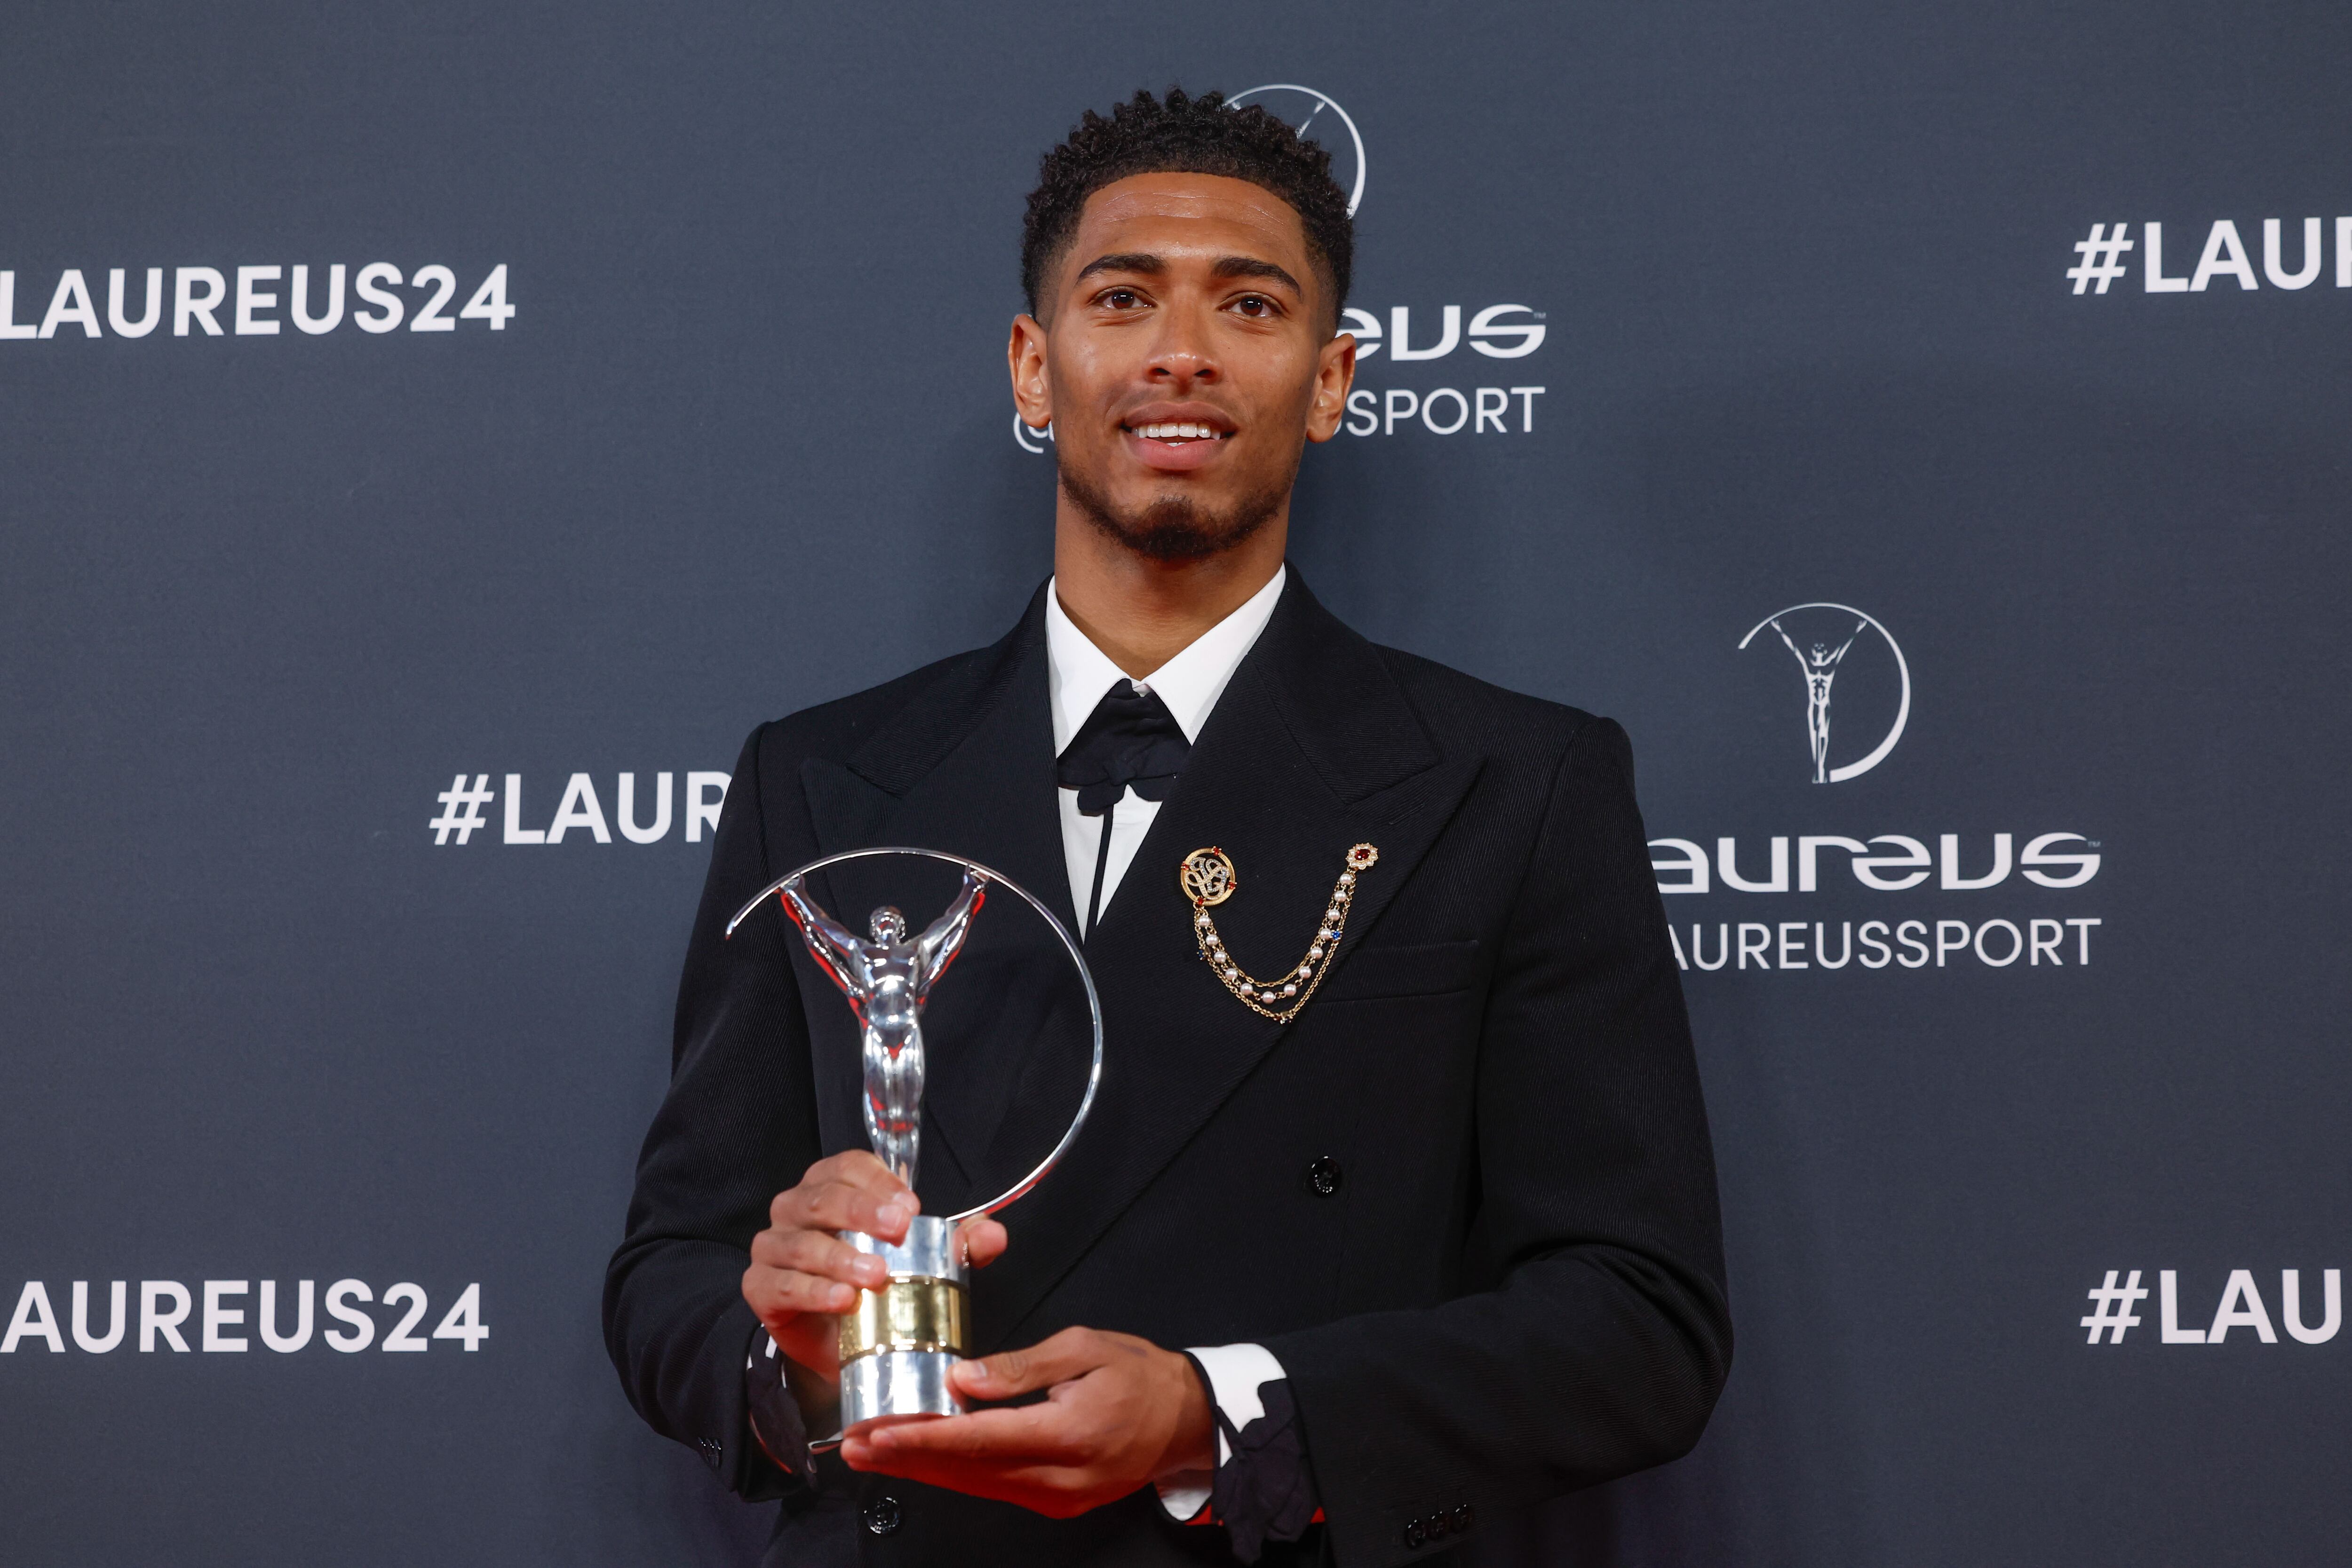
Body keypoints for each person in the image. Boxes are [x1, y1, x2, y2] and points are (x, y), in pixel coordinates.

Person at [604, 87, 1730, 1568]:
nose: (1180, 350)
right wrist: (803, 1361)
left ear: (1329, 383)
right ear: (1034, 365)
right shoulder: (818, 777)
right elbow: (667, 1277)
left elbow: (1641, 1327)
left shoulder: (1517, 784)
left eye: (1249, 306)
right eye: (1122, 297)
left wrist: (1223, 1418)